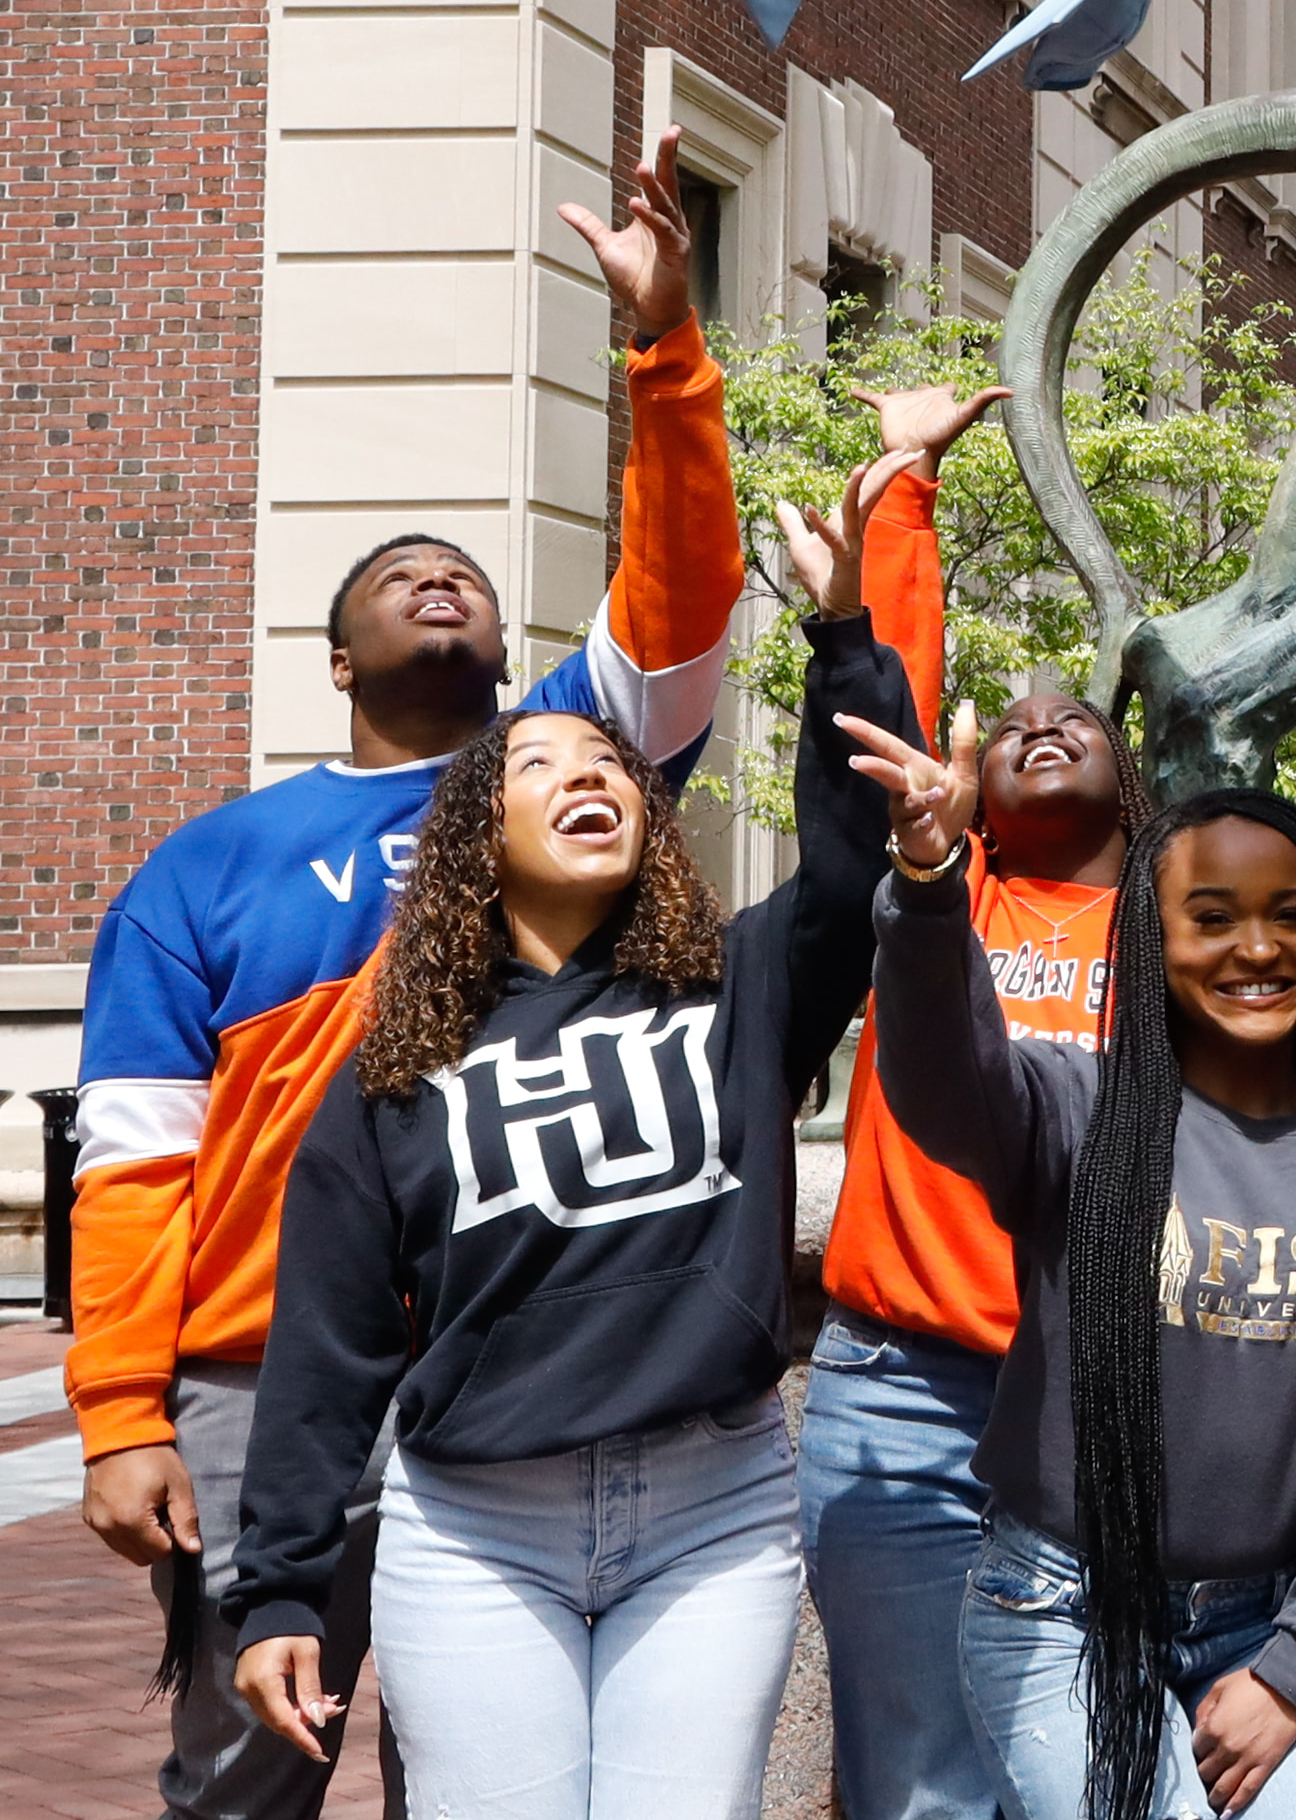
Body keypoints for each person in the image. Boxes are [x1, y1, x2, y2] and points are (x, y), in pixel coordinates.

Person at [71, 129, 737, 1820]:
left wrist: (666, 350)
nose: (437, 575)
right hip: (250, 1368)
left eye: (465, 573)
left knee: (481, 1773)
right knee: (244, 1768)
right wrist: (117, 1411)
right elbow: (136, 1162)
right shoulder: (202, 867)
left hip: (520, 1365)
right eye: (395, 576)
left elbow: (677, 591)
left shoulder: (574, 775)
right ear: (338, 651)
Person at [220, 458, 911, 1819]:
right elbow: (328, 1346)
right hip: (477, 1526)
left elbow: (855, 858)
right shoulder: (395, 1073)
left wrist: (845, 639)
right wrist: (281, 1588)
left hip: (712, 1508)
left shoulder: (743, 987)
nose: (588, 772)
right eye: (541, 761)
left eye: (609, 762)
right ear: (478, 836)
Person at [839, 692, 1296, 1820]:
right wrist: (928, 885)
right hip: (1059, 1611)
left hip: (1273, 1627)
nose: (1257, 947)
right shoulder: (1078, 1113)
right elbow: (938, 1080)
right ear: (1148, 940)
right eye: (1211, 917)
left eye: (1290, 915)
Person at [803, 375, 1172, 1820]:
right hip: (901, 1395)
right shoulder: (945, 906)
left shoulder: (1185, 927)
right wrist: (903, 481)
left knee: (1094, 1774)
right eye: (1008, 718)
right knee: (918, 1789)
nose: (1033, 719)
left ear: (1133, 780)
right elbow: (887, 698)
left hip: (1111, 1393)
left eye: (1070, 715)